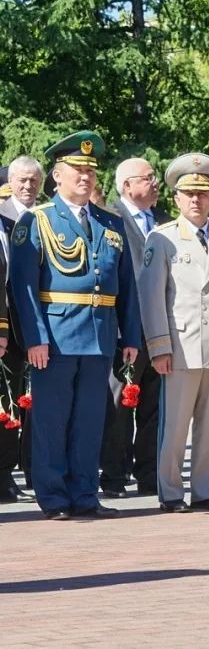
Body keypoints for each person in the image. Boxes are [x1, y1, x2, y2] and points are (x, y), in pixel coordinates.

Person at [10, 131, 141, 520]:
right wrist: (34, 337)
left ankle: (85, 494)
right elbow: (23, 287)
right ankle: (53, 498)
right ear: (57, 175)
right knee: (52, 420)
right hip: (56, 336)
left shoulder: (109, 222)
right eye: (77, 170)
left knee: (90, 422)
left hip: (99, 335)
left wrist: (129, 334)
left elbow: (127, 284)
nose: (85, 177)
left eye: (90, 171)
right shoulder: (37, 221)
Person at [140, 153, 209, 513]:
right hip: (180, 345)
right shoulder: (162, 238)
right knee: (174, 427)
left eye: (203, 194)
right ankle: (171, 493)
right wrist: (158, 345)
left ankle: (207, 491)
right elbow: (152, 296)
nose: (196, 200)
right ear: (176, 199)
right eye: (189, 194)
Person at [98, 158, 171, 499]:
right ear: (127, 185)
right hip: (124, 331)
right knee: (119, 407)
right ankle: (113, 476)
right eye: (149, 177)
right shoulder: (108, 220)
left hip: (161, 331)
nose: (156, 182)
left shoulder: (164, 222)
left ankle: (149, 475)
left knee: (155, 407)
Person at [0, 155, 42, 502]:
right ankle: (6, 473)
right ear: (11, 182)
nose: (28, 186)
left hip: (43, 325)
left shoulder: (46, 218)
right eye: (22, 180)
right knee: (11, 402)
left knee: (37, 404)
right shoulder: (3, 219)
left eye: (33, 181)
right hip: (11, 327)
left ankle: (34, 469)